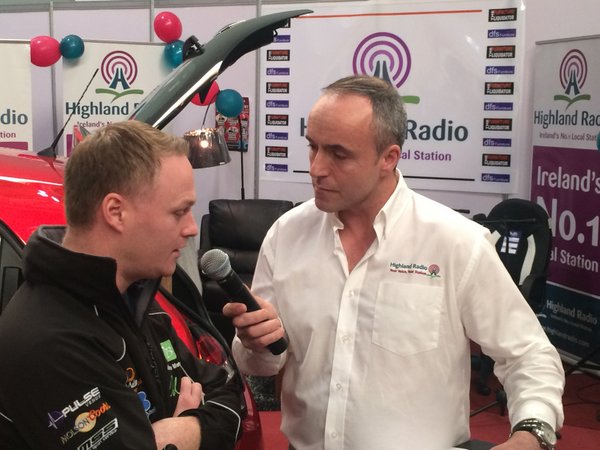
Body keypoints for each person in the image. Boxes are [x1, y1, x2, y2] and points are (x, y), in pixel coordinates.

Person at [224, 75, 565, 450]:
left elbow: (528, 355)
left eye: (339, 154)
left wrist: (531, 435)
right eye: (313, 147)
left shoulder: (454, 241)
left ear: (388, 158)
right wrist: (255, 344)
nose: (317, 168)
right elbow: (261, 364)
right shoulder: (286, 235)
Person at [0, 120, 244, 450]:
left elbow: (229, 392)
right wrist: (192, 431)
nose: (191, 228)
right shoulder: (48, 340)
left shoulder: (136, 299)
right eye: (179, 212)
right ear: (116, 212)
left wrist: (184, 429)